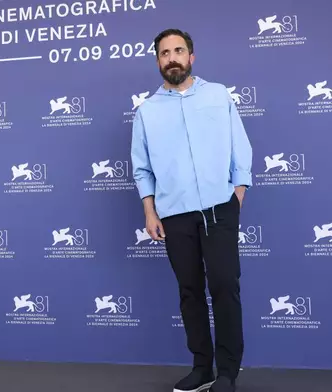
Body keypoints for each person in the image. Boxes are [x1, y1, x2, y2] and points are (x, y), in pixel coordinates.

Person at [130, 29, 252, 392]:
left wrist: (237, 195)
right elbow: (142, 168)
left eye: (178, 50)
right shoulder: (147, 111)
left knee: (224, 287)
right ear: (158, 61)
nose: (172, 57)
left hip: (220, 209)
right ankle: (203, 368)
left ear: (191, 57)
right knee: (190, 291)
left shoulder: (217, 95)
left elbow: (239, 149)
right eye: (165, 52)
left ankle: (228, 372)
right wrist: (150, 213)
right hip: (175, 214)